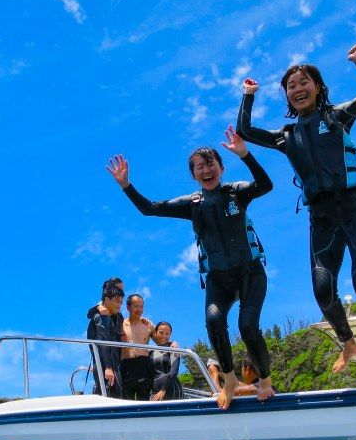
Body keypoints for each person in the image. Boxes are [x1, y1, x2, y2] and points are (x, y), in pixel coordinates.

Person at [236, 43, 356, 383]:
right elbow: (246, 131)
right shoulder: (286, 136)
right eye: (291, 86)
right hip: (322, 216)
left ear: (318, 87)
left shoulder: (338, 116)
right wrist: (248, 95)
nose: (297, 89)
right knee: (322, 289)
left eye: (303, 82)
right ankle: (349, 344)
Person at [107, 126, 275, 410]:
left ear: (221, 167)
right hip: (219, 278)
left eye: (211, 163)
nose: (206, 169)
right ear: (194, 174)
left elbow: (265, 184)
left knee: (247, 325)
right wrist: (126, 186)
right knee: (213, 320)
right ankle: (230, 380)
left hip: (250, 272)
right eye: (199, 167)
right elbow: (150, 208)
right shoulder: (193, 204)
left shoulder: (237, 193)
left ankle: (267, 382)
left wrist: (246, 155)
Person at [87, 283, 125, 398]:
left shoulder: (108, 316)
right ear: (107, 299)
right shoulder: (101, 316)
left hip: (110, 364)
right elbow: (103, 342)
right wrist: (108, 368)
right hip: (107, 366)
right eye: (117, 301)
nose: (119, 306)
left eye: (121, 303)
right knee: (114, 401)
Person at [121, 294, 155, 400]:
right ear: (128, 307)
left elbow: (162, 340)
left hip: (143, 366)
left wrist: (173, 343)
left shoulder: (148, 325)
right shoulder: (120, 324)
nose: (139, 309)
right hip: (125, 366)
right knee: (126, 402)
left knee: (144, 402)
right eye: (136, 306)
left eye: (141, 306)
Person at [149, 321, 184, 401]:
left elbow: (174, 372)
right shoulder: (151, 352)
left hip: (172, 391)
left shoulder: (173, 349)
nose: (164, 336)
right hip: (155, 392)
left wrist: (163, 390)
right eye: (161, 333)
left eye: (167, 334)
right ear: (155, 333)